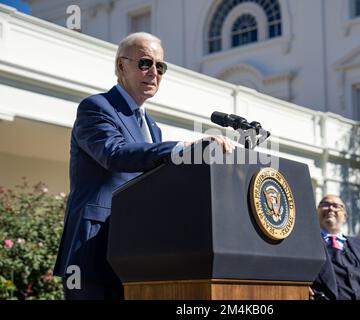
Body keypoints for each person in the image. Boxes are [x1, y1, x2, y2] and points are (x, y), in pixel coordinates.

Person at [53, 32, 234, 300]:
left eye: (160, 67)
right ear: (120, 66)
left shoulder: (153, 128)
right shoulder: (96, 107)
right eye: (145, 63)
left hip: (138, 256)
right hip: (92, 251)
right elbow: (113, 154)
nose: (153, 72)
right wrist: (184, 148)